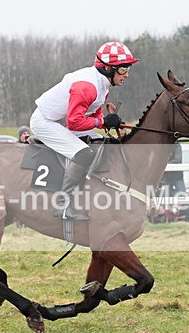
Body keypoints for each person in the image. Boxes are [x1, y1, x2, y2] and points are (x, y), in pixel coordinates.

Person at [30, 40, 138, 220]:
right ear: (108, 69)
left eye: (128, 69)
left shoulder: (103, 84)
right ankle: (62, 206)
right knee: (84, 154)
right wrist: (102, 121)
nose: (126, 74)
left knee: (100, 143)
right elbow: (75, 123)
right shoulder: (87, 87)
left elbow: (93, 114)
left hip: (62, 120)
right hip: (46, 122)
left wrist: (107, 122)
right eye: (123, 69)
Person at [158, 142, 189, 222]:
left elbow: (178, 160)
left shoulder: (177, 146)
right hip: (166, 177)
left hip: (177, 177)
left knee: (183, 196)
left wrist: (165, 164)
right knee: (167, 198)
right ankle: (168, 219)